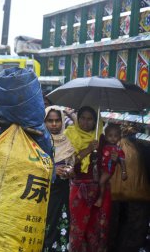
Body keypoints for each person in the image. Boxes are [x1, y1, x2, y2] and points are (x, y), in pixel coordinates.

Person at [64, 106, 106, 251]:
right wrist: (88, 149)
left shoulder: (100, 137)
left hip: (97, 189)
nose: (85, 122)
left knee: (94, 226)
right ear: (77, 118)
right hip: (78, 189)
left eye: (90, 119)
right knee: (78, 225)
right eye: (82, 118)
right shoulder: (69, 134)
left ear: (95, 121)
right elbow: (68, 162)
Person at [43, 106, 75, 251]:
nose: (54, 124)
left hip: (62, 192)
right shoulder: (39, 141)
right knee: (45, 226)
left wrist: (69, 171)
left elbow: (73, 166)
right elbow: (31, 167)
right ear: (44, 122)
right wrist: (52, 170)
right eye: (50, 121)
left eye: (57, 121)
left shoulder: (67, 142)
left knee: (61, 225)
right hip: (43, 193)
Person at [94, 124, 127, 208]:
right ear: (106, 137)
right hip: (102, 167)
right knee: (98, 180)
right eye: (110, 136)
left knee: (101, 182)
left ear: (119, 137)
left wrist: (124, 171)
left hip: (108, 169)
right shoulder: (105, 146)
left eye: (115, 136)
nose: (113, 138)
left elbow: (122, 160)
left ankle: (100, 198)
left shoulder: (118, 150)